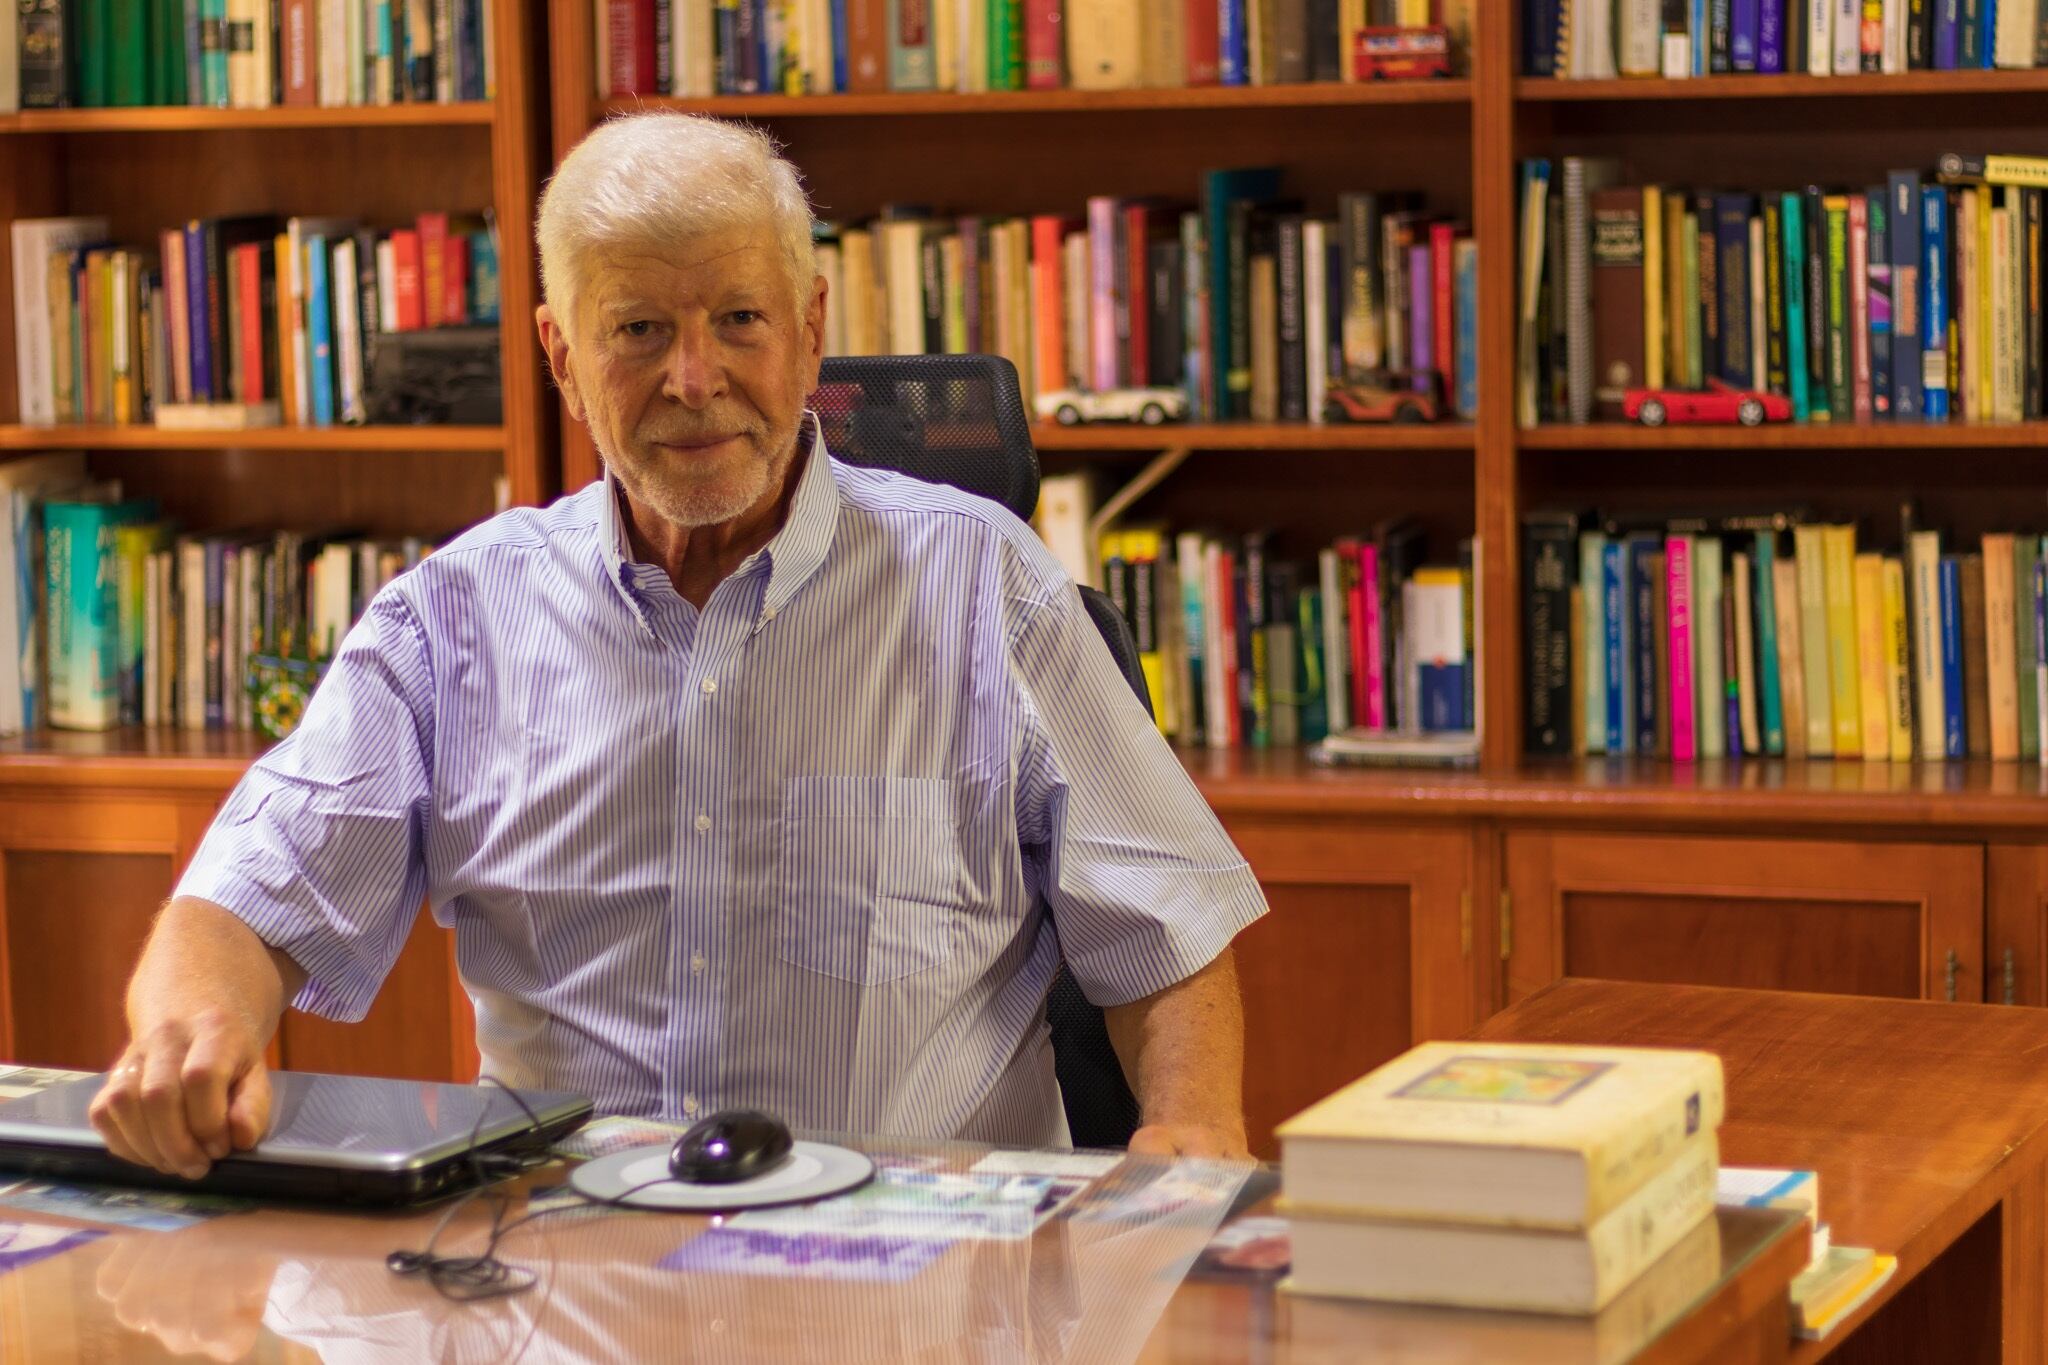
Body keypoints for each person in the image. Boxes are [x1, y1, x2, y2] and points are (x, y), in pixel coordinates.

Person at [88, 112, 1268, 1181]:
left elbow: (1163, 931)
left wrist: (1192, 1130)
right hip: (564, 1269)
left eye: (738, 320)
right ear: (562, 357)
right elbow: (248, 898)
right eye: (639, 330)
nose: (693, 381)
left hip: (909, 1277)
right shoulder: (450, 622)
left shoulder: (986, 588)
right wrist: (193, 1031)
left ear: (808, 330)